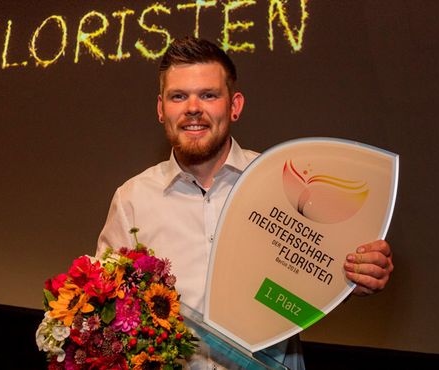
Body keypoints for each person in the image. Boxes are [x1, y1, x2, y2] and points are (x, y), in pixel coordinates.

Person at [97, 36, 394, 370]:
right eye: (178, 96)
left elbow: (324, 262)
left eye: (208, 95)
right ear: (161, 109)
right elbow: (105, 307)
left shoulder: (279, 185)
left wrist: (356, 274)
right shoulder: (132, 200)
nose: (193, 107)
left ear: (234, 106)